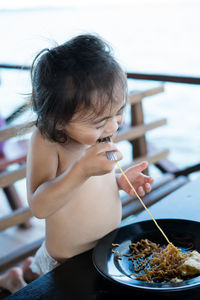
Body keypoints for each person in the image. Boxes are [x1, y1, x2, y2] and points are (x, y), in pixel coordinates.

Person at [0, 34, 153, 293]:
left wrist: (120, 182)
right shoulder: (48, 140)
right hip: (67, 260)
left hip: (103, 249)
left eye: (119, 112)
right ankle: (15, 282)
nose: (113, 125)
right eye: (99, 121)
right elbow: (39, 206)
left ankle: (25, 272)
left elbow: (92, 189)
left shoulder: (98, 136)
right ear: (58, 119)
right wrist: (81, 170)